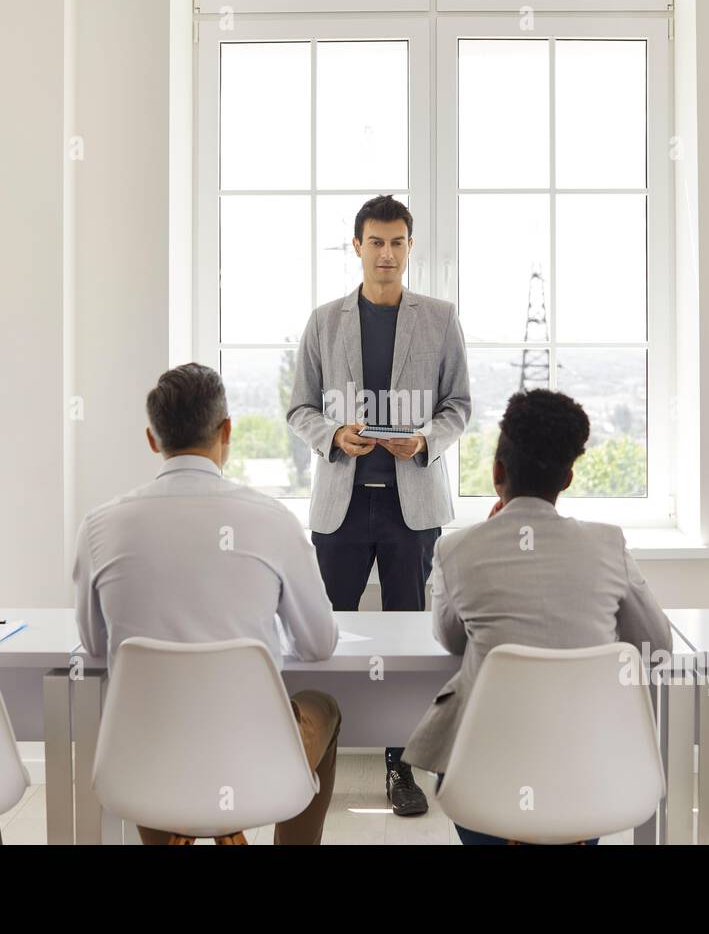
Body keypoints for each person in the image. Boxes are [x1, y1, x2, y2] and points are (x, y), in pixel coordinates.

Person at [75, 363, 341, 844]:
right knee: (322, 705)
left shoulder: (99, 526)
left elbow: (95, 644)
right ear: (227, 431)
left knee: (149, 728)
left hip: (145, 763)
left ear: (153, 440)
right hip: (254, 760)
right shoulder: (273, 520)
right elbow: (319, 644)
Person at [401, 389, 673, 844]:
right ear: (567, 479)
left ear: (496, 472)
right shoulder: (608, 545)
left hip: (484, 786)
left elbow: (450, 638)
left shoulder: (456, 548)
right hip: (589, 783)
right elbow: (656, 646)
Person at [287, 194, 471, 817]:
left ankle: (402, 766)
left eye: (397, 242)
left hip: (411, 507)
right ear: (358, 247)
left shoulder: (441, 320)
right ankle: (314, 763)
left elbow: (460, 407)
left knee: (413, 640)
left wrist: (425, 441)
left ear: (410, 247)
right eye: (376, 242)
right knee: (324, 638)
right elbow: (299, 408)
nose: (386, 253)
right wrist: (334, 436)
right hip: (339, 507)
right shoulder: (324, 321)